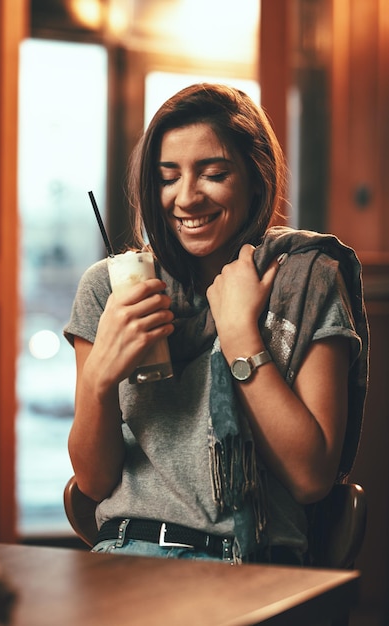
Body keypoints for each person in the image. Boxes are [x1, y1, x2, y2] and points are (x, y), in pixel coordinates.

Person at [64, 83, 369, 565]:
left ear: (255, 177)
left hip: (249, 564)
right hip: (125, 555)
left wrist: (241, 336)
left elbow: (311, 478)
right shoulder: (109, 287)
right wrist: (100, 377)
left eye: (213, 173)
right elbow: (95, 482)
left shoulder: (302, 280)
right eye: (168, 177)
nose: (186, 198)